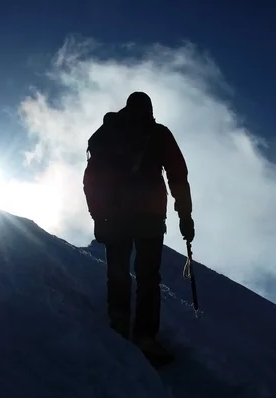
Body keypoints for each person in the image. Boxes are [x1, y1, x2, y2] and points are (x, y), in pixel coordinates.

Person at [83, 91, 195, 363]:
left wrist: (98, 216)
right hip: (150, 216)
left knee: (118, 270)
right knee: (148, 276)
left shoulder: (106, 133)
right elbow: (178, 174)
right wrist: (185, 215)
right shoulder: (158, 133)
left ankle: (119, 320)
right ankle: (145, 335)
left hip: (115, 215)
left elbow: (91, 179)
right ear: (150, 110)